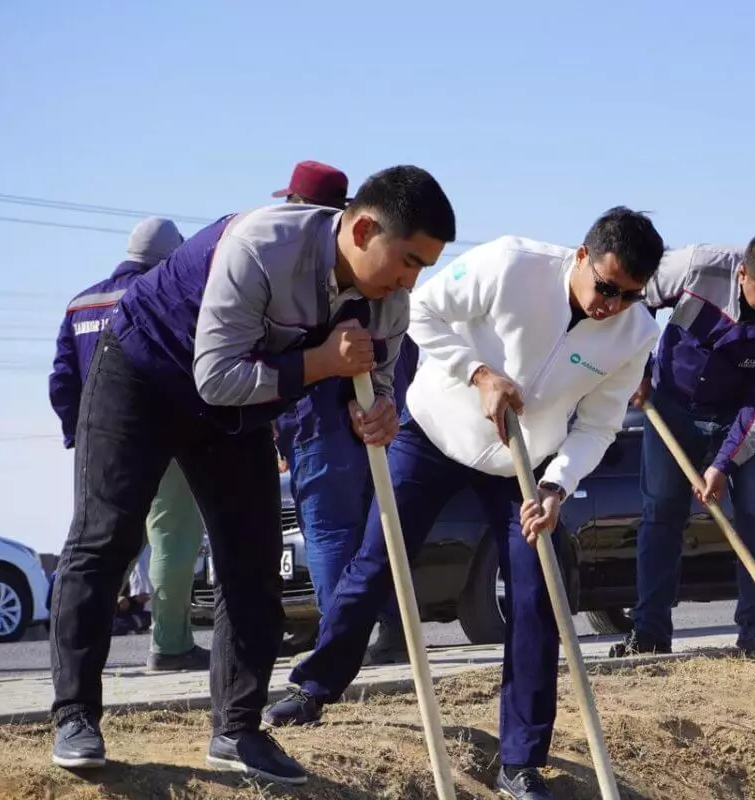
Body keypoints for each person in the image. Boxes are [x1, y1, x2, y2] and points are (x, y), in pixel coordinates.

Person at [47, 165, 456, 785]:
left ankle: (236, 729)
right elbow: (215, 377)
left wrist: (377, 413)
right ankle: (75, 715)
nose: (411, 280)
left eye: (423, 266)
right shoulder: (261, 246)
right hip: (145, 373)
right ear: (364, 227)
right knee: (105, 539)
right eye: (407, 260)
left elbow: (375, 380)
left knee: (252, 561)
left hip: (236, 414)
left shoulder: (389, 300)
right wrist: (317, 363)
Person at [263, 207, 666, 800]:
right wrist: (479, 373)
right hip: (432, 432)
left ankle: (520, 761)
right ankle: (315, 686)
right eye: (605, 287)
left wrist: (557, 486)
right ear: (582, 257)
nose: (610, 305)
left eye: (629, 296)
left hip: (524, 464)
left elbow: (601, 424)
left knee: (536, 596)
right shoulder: (511, 263)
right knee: (378, 562)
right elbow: (421, 311)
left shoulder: (636, 335)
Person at [608, 233, 755, 661]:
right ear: (742, 275)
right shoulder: (696, 267)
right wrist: (636, 369)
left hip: (742, 415)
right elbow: (635, 298)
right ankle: (649, 633)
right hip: (671, 404)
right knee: (661, 511)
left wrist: (725, 462)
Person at [269, 159, 418, 658]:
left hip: (324, 418)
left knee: (331, 528)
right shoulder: (376, 278)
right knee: (378, 527)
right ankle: (390, 632)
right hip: (374, 418)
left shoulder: (302, 277)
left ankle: (340, 646)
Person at [48, 217, 210, 672]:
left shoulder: (81, 303)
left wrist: (77, 436)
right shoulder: (168, 296)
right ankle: (171, 645)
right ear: (169, 254)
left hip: (98, 443)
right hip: (164, 437)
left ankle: (77, 649)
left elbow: (62, 379)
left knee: (98, 543)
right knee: (172, 538)